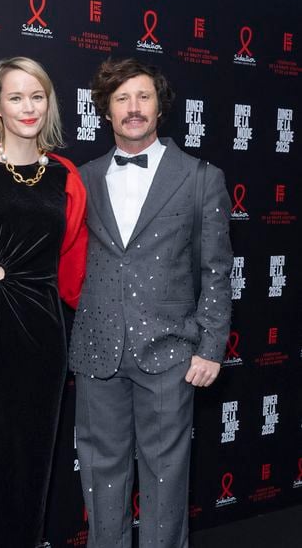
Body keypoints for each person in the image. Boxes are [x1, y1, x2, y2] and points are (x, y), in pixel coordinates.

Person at [69, 58, 232, 548]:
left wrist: (212, 345)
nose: (133, 108)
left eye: (143, 96)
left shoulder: (201, 177)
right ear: (105, 111)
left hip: (170, 353)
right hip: (97, 352)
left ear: (160, 107)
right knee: (100, 480)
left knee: (165, 481)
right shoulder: (83, 178)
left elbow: (217, 269)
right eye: (121, 99)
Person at [0, 57, 88, 548]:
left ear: (49, 104)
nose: (28, 107)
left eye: (38, 96)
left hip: (46, 330)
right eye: (16, 97)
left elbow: (74, 271)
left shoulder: (67, 176)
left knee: (36, 457)